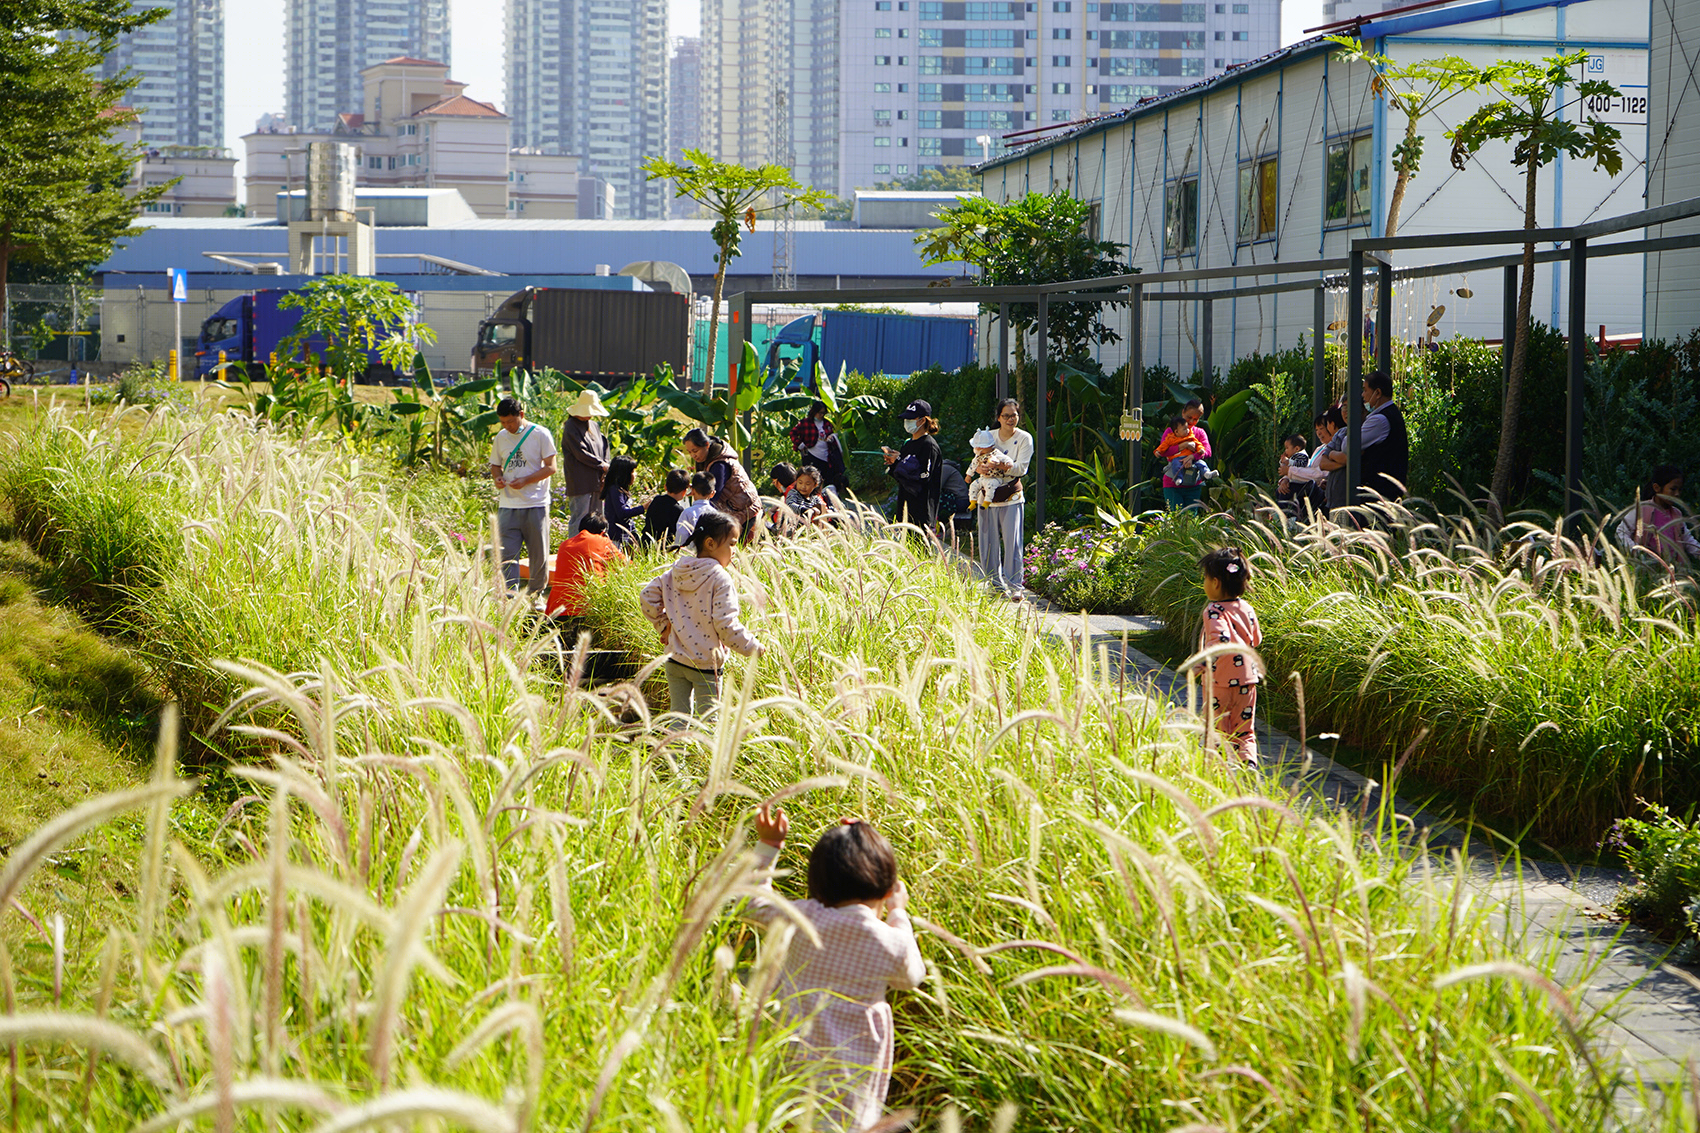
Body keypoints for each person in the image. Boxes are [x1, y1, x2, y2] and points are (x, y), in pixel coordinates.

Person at [737, 806, 925, 1133]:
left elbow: (751, 902)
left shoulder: (802, 918)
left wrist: (769, 844)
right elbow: (913, 975)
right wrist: (898, 914)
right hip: (852, 1085)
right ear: (885, 890)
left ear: (817, 887)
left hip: (790, 1069)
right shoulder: (889, 943)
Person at [639, 510, 764, 717]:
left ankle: (675, 749)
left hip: (675, 659)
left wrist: (664, 625)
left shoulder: (676, 570)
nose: (735, 550)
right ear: (710, 543)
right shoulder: (720, 579)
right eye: (732, 544)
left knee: (678, 717)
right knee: (709, 721)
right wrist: (753, 647)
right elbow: (725, 625)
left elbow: (647, 597)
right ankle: (705, 751)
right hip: (706, 664)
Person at [1194, 546, 1263, 765]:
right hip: (1248, 680)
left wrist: (1197, 665)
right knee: (1245, 729)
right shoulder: (1247, 608)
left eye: (1205, 578)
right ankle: (1248, 763)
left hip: (1220, 682)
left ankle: (1219, 769)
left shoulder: (1214, 610)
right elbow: (1257, 639)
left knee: (1217, 728)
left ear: (1215, 583)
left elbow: (1219, 642)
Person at [487, 396, 558, 598]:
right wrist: (498, 478)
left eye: (511, 421)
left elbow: (551, 467)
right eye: (503, 422)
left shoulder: (540, 434)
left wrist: (526, 480)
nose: (507, 426)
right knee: (507, 554)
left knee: (539, 554)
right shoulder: (501, 437)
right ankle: (509, 596)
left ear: (521, 415)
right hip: (508, 504)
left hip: (535, 503)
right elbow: (495, 465)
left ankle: (536, 595)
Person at [978, 398, 1033, 601]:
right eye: (1006, 415)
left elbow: (1021, 468)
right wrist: (980, 468)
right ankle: (995, 584)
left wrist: (999, 466)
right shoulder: (988, 436)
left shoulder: (1025, 438)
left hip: (1011, 496)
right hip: (987, 496)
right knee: (988, 542)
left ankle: (1015, 585)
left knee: (1013, 542)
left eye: (1014, 415)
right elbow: (976, 459)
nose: (1011, 419)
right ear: (998, 417)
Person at [683, 427, 761, 537]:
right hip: (732, 510)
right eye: (689, 452)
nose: (693, 455)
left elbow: (713, 497)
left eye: (695, 451)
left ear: (707, 445)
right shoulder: (706, 458)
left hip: (745, 510)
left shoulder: (719, 465)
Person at [545, 513, 627, 618]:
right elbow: (627, 566)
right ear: (603, 532)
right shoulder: (603, 541)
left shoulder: (564, 544)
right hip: (588, 610)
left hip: (556, 611)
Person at [1615, 464, 1700, 564]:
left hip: (1673, 571)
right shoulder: (1642, 510)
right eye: (1673, 489)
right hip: (1647, 571)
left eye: (1679, 490)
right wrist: (1637, 552)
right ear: (1656, 488)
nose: (1677, 494)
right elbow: (1621, 532)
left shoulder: (1676, 514)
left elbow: (1687, 540)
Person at [882, 399, 942, 532]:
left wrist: (900, 462)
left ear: (922, 421)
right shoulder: (907, 444)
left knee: (921, 550)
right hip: (905, 508)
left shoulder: (929, 445)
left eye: (910, 419)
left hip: (921, 510)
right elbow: (901, 476)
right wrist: (894, 462)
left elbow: (924, 477)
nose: (907, 422)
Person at [561, 389, 612, 535]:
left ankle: (595, 549)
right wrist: (601, 465)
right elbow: (580, 452)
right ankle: (574, 551)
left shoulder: (594, 425)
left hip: (597, 480)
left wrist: (605, 465)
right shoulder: (571, 426)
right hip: (580, 481)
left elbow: (604, 446)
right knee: (580, 517)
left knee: (597, 518)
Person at [1357, 370, 1409, 505]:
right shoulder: (1391, 414)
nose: (1363, 395)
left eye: (1365, 390)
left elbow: (1349, 445)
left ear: (1378, 393)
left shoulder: (1379, 420)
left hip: (1379, 494)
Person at [1158, 398, 1213, 511]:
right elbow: (1163, 451)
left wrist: (1193, 457)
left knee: (1191, 520)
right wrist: (1184, 446)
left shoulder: (1200, 432)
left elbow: (1207, 451)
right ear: (1183, 412)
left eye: (1196, 419)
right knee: (1176, 518)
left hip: (1194, 483)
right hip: (1172, 484)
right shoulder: (1171, 431)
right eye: (1189, 417)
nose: (1191, 422)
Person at [789, 400, 849, 493]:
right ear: (814, 412)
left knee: (828, 479)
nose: (821, 415)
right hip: (811, 454)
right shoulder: (805, 423)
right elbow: (793, 433)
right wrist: (799, 444)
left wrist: (831, 437)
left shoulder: (827, 423)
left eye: (823, 413)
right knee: (811, 479)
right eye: (820, 413)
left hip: (826, 456)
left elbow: (830, 434)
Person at [1305, 406, 1350, 517]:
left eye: (1322, 428)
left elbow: (1320, 470)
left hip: (1340, 498)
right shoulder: (1320, 448)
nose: (1319, 433)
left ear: (1332, 424)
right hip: (1332, 497)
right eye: (1316, 430)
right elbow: (1323, 464)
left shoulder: (1343, 436)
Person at [1155, 414, 1212, 495]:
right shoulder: (1171, 438)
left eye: (1188, 429)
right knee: (1176, 464)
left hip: (1193, 466)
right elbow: (1163, 447)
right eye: (1185, 429)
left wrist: (1199, 451)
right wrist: (1158, 451)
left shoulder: (1191, 436)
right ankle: (1178, 478)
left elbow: (1199, 445)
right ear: (1176, 432)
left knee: (1202, 463)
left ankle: (1206, 473)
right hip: (1178, 458)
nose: (1188, 430)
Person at [965, 427, 1016, 509]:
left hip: (995, 478)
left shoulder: (995, 453)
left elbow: (1005, 458)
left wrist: (1008, 463)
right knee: (973, 485)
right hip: (983, 478)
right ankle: (973, 501)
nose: (977, 449)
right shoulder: (978, 456)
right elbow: (973, 465)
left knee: (990, 486)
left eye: (979, 447)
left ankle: (987, 501)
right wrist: (969, 475)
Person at [601, 455, 646, 547]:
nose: (635, 474)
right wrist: (643, 508)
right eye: (633, 471)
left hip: (624, 535)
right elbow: (622, 513)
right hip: (616, 537)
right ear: (624, 474)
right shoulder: (615, 490)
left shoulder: (621, 490)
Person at [642, 469, 691, 546]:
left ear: (665, 487)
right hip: (663, 547)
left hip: (646, 542)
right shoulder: (678, 509)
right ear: (685, 491)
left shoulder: (656, 500)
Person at [675, 472, 716, 547]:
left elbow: (680, 539)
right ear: (712, 493)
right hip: (710, 556)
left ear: (692, 490)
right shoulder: (716, 514)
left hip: (690, 556)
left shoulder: (687, 513)